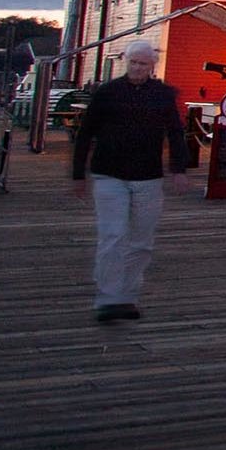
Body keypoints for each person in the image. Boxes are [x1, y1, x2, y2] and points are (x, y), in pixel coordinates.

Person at [70, 40, 191, 323]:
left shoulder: (163, 95)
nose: (137, 68)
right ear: (126, 62)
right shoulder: (108, 93)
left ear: (152, 66)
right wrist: (79, 173)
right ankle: (108, 298)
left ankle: (127, 295)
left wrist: (179, 169)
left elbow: (175, 132)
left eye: (143, 64)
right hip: (109, 174)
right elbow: (86, 133)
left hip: (148, 176)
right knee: (113, 236)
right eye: (133, 63)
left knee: (141, 241)